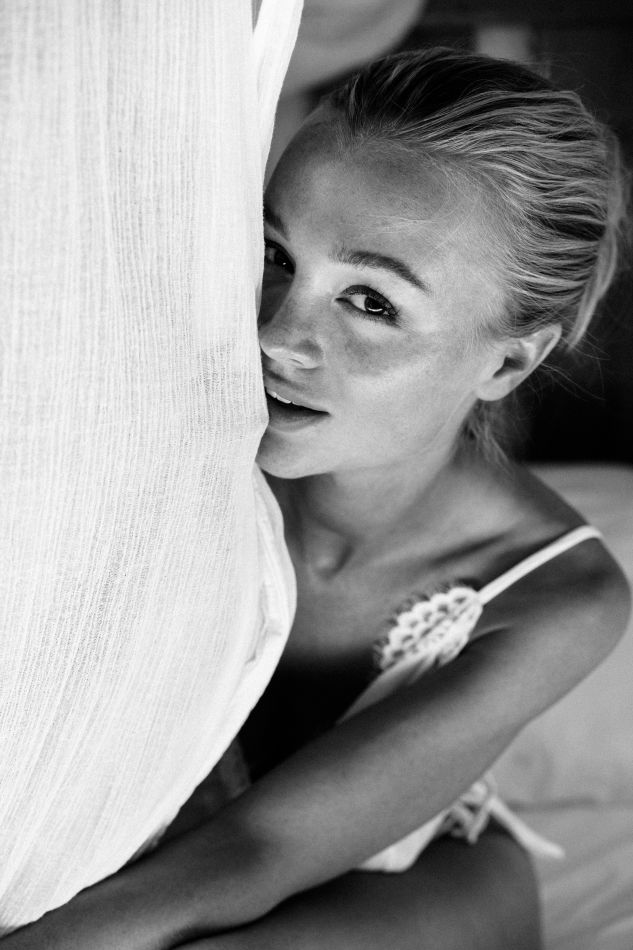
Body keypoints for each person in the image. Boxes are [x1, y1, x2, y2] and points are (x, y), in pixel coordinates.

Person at [5, 46, 630, 950]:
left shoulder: (559, 597)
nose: (275, 334)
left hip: (400, 876)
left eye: (370, 302)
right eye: (273, 254)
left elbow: (257, 849)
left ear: (506, 362)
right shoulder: (154, 437)